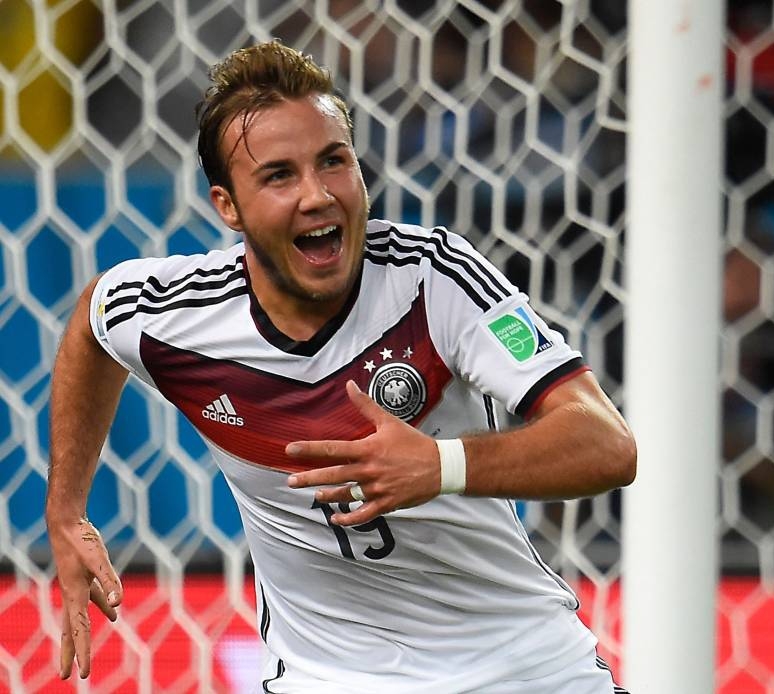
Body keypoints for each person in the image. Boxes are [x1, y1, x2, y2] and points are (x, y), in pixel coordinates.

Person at [45, 40, 636, 693]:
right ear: (227, 206)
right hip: (326, 678)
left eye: (334, 161)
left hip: (523, 670)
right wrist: (66, 512)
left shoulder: (434, 280)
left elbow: (606, 444)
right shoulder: (179, 315)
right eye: (279, 176)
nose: (318, 195)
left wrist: (439, 466)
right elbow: (93, 323)